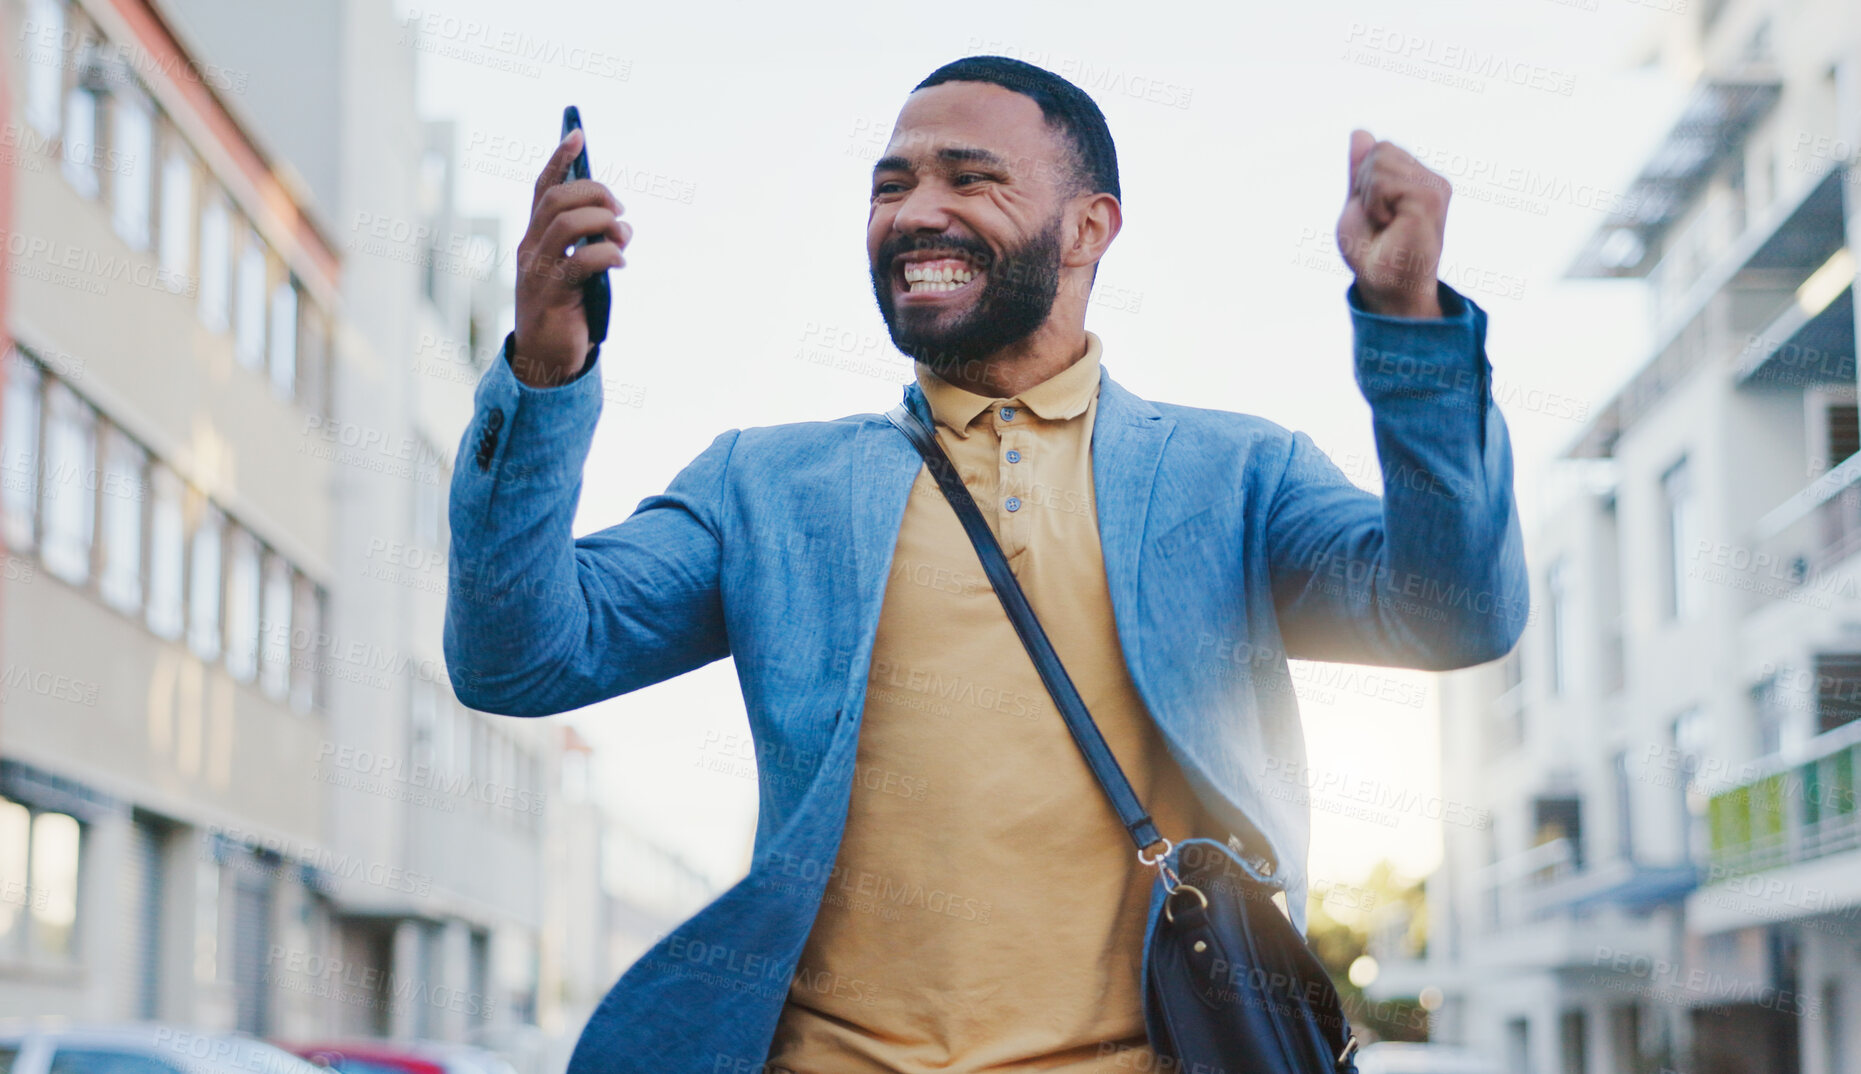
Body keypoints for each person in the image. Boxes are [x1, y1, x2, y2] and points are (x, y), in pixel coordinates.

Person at [445, 54, 1527, 1074]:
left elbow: (1453, 612)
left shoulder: (1234, 475)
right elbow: (519, 659)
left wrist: (1408, 326)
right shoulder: (765, 488)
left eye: (972, 179)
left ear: (1089, 227)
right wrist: (545, 366)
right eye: (891, 184)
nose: (917, 212)